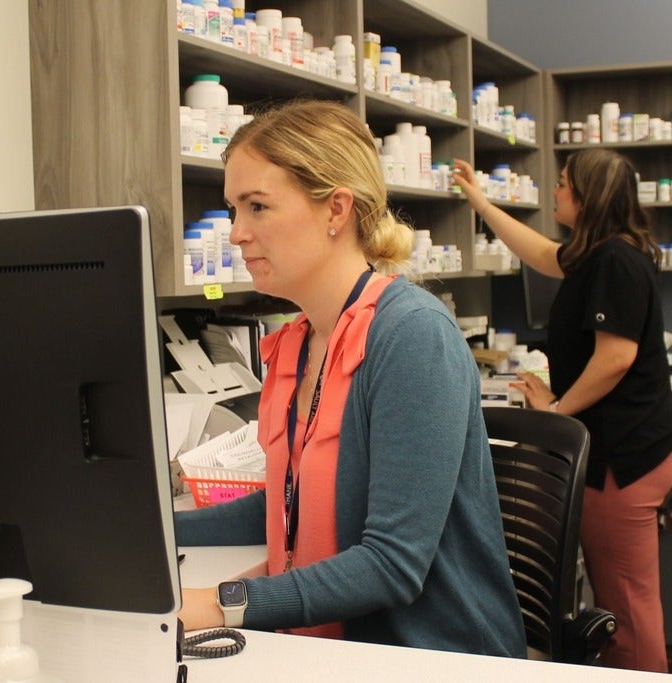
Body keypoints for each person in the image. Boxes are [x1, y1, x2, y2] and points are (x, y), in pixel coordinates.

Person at [175, 99, 526, 658]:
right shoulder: (298, 341)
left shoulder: (410, 337)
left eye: (257, 206)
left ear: (336, 209)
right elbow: (288, 502)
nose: (237, 232)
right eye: (232, 208)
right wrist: (158, 533)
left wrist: (218, 604)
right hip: (331, 648)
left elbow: (391, 565)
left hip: (430, 655)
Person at [453, 149, 672, 672]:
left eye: (562, 184)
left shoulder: (615, 260)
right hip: (634, 448)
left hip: (623, 459)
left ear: (588, 196)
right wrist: (479, 201)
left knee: (626, 606)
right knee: (625, 598)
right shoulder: (601, 252)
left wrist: (558, 409)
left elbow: (616, 357)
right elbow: (539, 253)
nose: (554, 192)